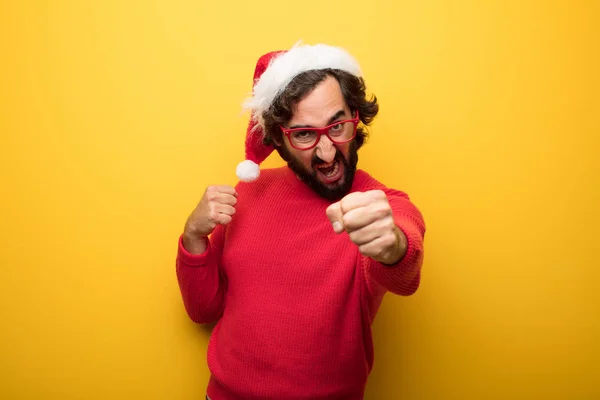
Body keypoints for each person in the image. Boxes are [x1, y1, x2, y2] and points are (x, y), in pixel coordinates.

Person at [176, 43, 426, 400]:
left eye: (337, 126)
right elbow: (203, 310)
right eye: (305, 134)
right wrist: (193, 237)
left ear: (356, 116)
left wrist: (393, 246)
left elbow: (404, 268)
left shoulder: (381, 206)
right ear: (278, 137)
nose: (327, 153)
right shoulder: (249, 193)